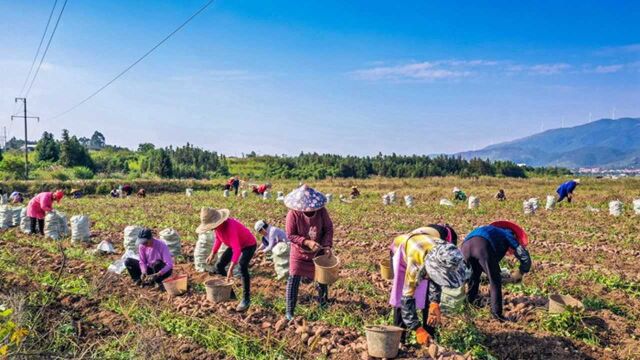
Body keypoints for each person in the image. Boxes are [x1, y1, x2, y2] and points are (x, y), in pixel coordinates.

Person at [389, 225, 468, 344]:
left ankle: (430, 337)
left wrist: (434, 302)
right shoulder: (414, 265)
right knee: (400, 299)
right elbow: (406, 299)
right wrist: (417, 329)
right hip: (402, 250)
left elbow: (438, 278)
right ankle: (400, 340)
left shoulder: (445, 250)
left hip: (424, 246)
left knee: (428, 297)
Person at [461, 220, 531, 321]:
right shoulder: (507, 234)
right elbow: (523, 255)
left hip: (465, 247)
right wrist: (522, 271)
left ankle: (468, 305)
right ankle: (497, 315)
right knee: (495, 281)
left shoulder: (491, 231)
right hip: (481, 246)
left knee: (474, 277)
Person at [283, 185, 334, 321]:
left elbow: (328, 228)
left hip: (318, 251)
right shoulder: (293, 214)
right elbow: (290, 235)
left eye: (312, 208)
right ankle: (289, 312)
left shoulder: (322, 212)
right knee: (293, 279)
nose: (310, 210)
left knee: (321, 279)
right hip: (299, 253)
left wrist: (327, 245)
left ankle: (323, 305)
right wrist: (306, 242)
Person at [199, 208, 257, 312]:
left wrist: (231, 268)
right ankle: (230, 292)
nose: (212, 228)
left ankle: (246, 299)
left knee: (242, 267)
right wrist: (213, 253)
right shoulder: (217, 228)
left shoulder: (230, 227)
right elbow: (218, 239)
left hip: (248, 245)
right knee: (219, 266)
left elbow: (237, 249)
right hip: (234, 245)